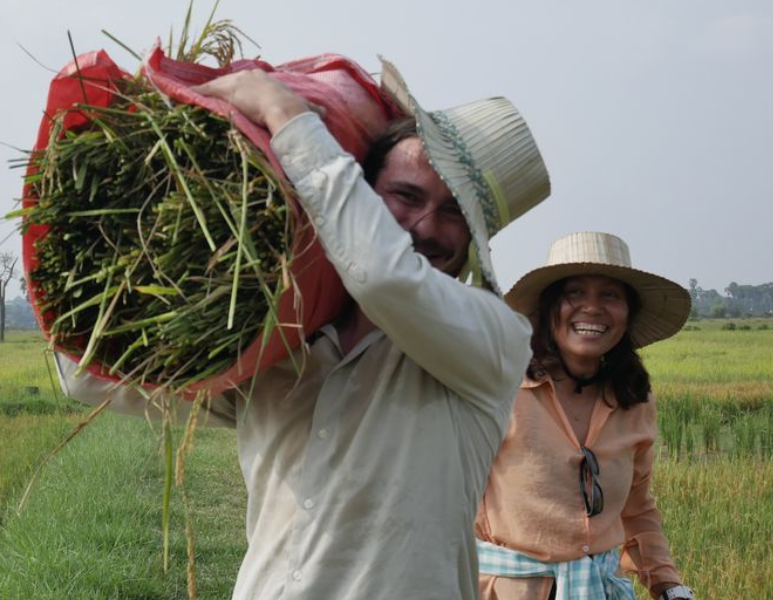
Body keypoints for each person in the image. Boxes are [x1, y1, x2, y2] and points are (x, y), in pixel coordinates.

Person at [58, 58, 550, 600]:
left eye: (454, 212)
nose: (426, 227)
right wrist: (94, 238)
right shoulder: (284, 341)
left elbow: (384, 278)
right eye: (406, 196)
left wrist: (284, 113)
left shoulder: (494, 338)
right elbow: (95, 380)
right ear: (362, 191)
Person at [474, 231, 695, 600]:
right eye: (574, 292)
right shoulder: (499, 387)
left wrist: (667, 584)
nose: (592, 307)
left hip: (599, 590)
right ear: (548, 309)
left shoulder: (634, 400)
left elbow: (636, 509)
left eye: (610, 295)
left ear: (627, 314)